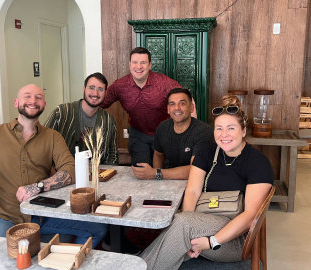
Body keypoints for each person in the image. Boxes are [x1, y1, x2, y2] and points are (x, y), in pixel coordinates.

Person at [140, 94, 274, 270]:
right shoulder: (206, 153)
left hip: (235, 239)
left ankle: (138, 266)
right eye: (219, 128)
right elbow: (192, 192)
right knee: (181, 223)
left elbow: (250, 216)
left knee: (183, 224)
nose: (224, 135)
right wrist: (188, 231)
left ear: (243, 131)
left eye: (231, 128)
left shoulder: (258, 162)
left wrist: (211, 241)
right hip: (201, 222)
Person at [0, 84, 108, 247]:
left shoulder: (52, 137)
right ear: (16, 103)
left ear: (44, 105)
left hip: (41, 214)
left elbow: (70, 169)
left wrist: (38, 186)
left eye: (38, 97)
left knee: (98, 229)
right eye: (27, 96)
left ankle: (65, 262)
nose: (33, 101)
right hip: (3, 216)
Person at [101, 47, 196, 166]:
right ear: (130, 64)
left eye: (143, 62)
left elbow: (188, 101)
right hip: (138, 135)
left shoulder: (164, 83)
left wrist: (192, 132)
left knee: (166, 172)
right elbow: (101, 103)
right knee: (141, 173)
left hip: (165, 134)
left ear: (150, 65)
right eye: (135, 62)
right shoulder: (119, 86)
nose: (139, 66)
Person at [132, 88, 214, 180]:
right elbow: (158, 155)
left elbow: (195, 169)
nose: (177, 108)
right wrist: (157, 180)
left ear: (191, 107)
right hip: (173, 182)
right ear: (168, 109)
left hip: (203, 184)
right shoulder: (163, 127)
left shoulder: (204, 131)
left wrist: (156, 173)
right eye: (172, 104)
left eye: (182, 103)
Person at [45, 72, 118, 164]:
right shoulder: (61, 113)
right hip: (62, 173)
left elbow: (113, 156)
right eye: (91, 88)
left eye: (100, 89)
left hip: (96, 175)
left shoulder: (109, 121)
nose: (95, 93)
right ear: (84, 89)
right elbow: (44, 144)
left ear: (105, 93)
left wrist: (102, 176)